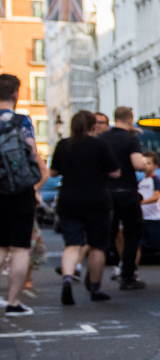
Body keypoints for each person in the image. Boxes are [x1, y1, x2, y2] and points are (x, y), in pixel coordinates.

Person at [50, 110, 121, 305]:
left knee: (73, 245)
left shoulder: (63, 144)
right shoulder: (100, 145)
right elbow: (115, 172)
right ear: (93, 126)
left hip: (69, 199)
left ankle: (67, 278)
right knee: (98, 246)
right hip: (97, 200)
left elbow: (53, 172)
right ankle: (96, 289)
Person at [0, 73, 48, 316]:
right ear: (16, 94)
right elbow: (32, 153)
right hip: (19, 190)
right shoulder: (22, 121)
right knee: (19, 248)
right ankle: (13, 302)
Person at [100, 106, 147, 290]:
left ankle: (93, 276)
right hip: (127, 191)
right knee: (132, 234)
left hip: (106, 192)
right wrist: (144, 164)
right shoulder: (131, 139)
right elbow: (137, 164)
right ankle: (127, 276)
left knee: (106, 235)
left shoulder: (102, 139)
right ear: (130, 120)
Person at [138, 151, 160, 263]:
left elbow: (156, 197)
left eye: (148, 163)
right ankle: (132, 271)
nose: (145, 166)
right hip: (143, 218)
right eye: (143, 163)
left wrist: (141, 202)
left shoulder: (155, 180)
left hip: (153, 218)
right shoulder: (142, 181)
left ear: (155, 166)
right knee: (137, 245)